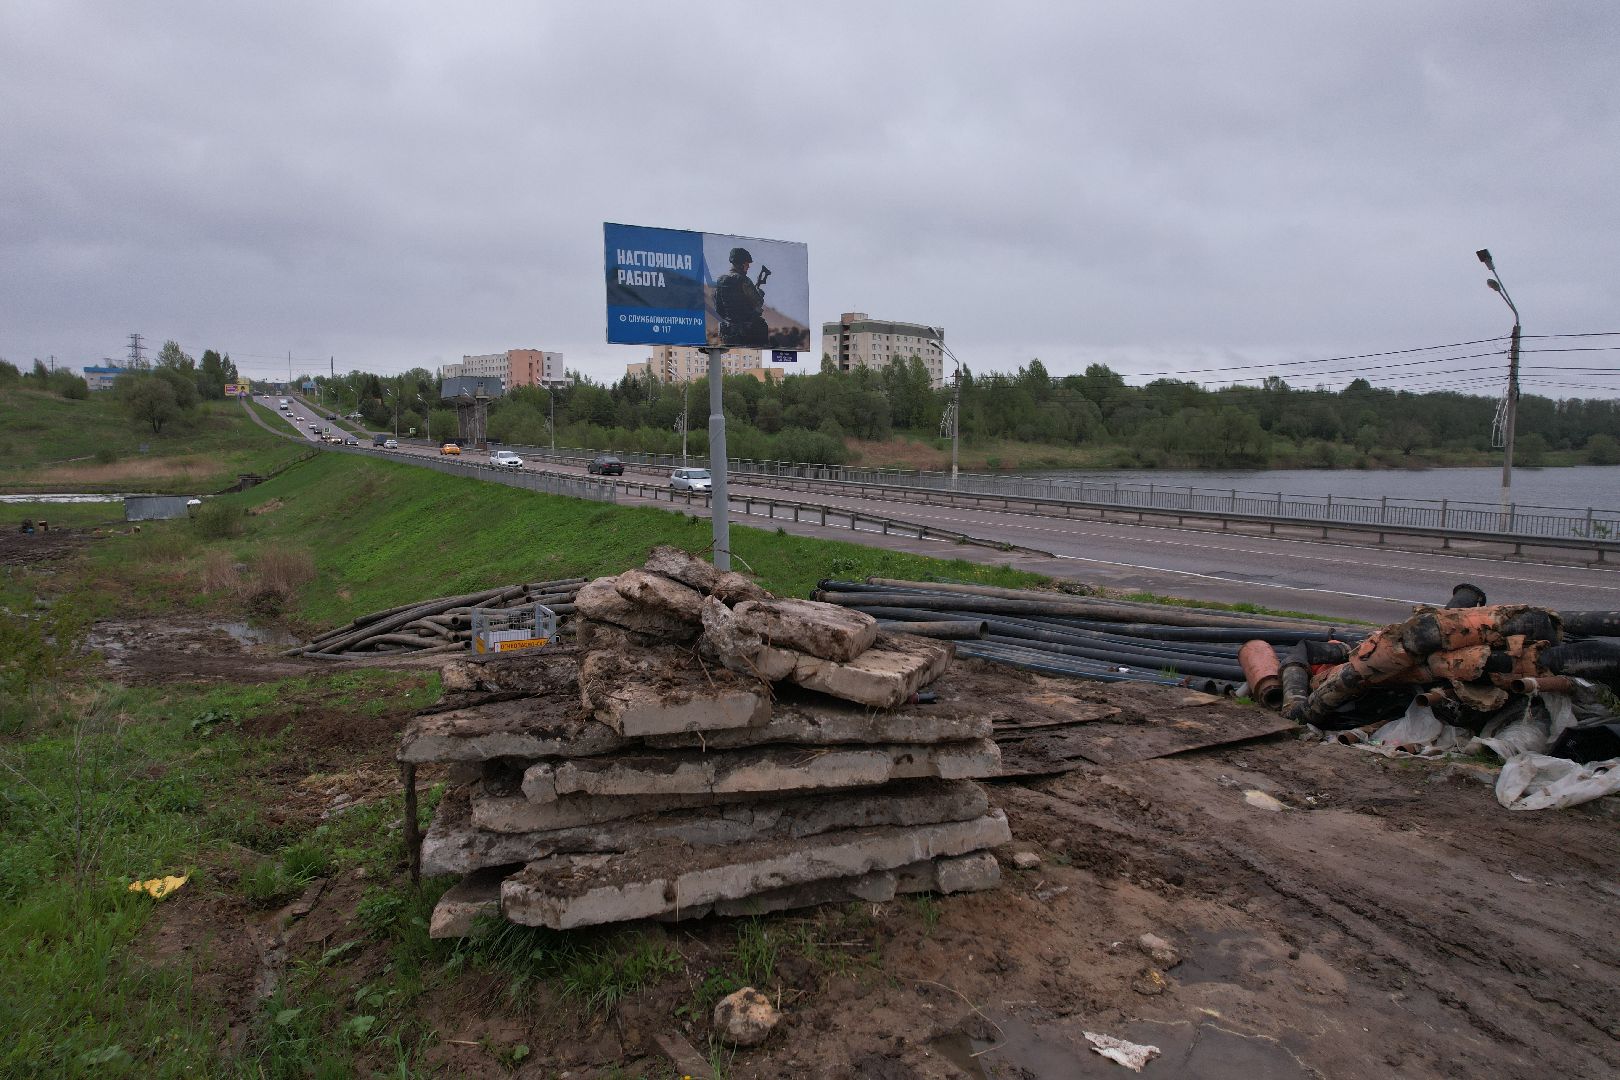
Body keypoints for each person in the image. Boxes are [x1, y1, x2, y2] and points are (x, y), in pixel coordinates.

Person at [713, 247, 769, 347]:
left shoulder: (720, 281)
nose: (748, 267)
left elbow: (718, 309)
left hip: (728, 335)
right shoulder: (744, 280)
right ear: (741, 264)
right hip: (748, 334)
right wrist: (760, 293)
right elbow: (758, 302)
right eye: (747, 264)